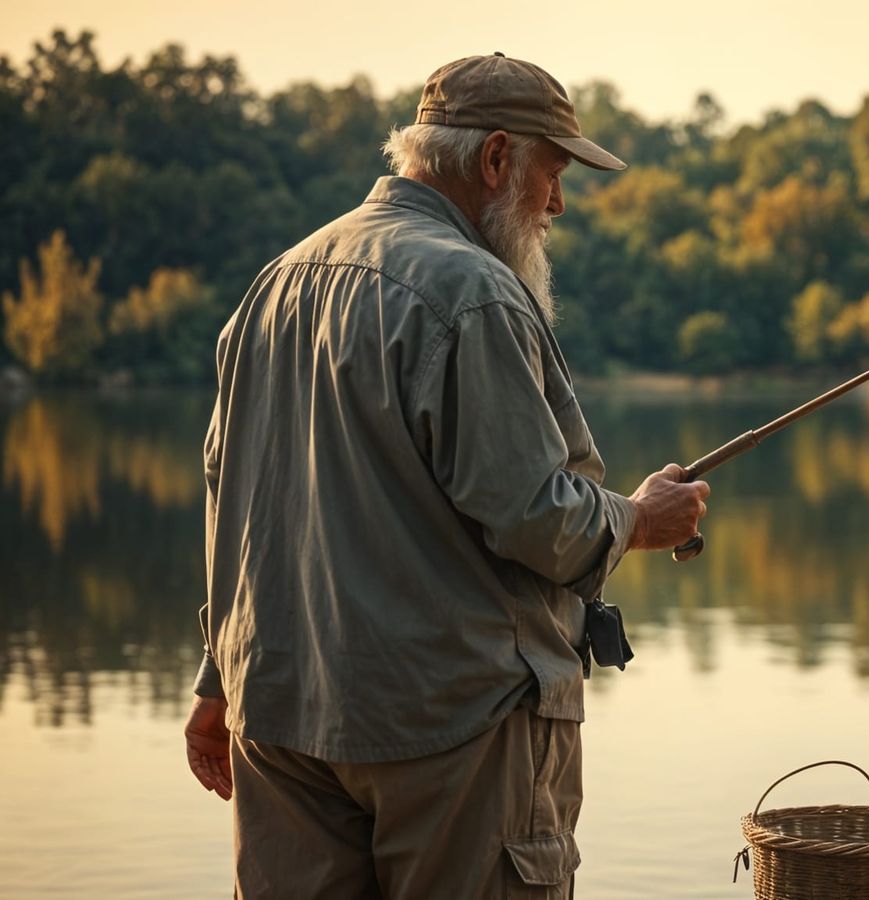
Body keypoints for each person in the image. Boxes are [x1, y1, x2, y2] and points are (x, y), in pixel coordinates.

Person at [181, 53, 710, 899]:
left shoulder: (274, 286)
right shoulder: (473, 292)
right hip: (450, 730)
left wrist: (217, 680)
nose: (558, 203)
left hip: (279, 718)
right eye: (554, 171)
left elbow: (226, 502)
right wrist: (640, 520)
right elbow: (534, 515)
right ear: (496, 158)